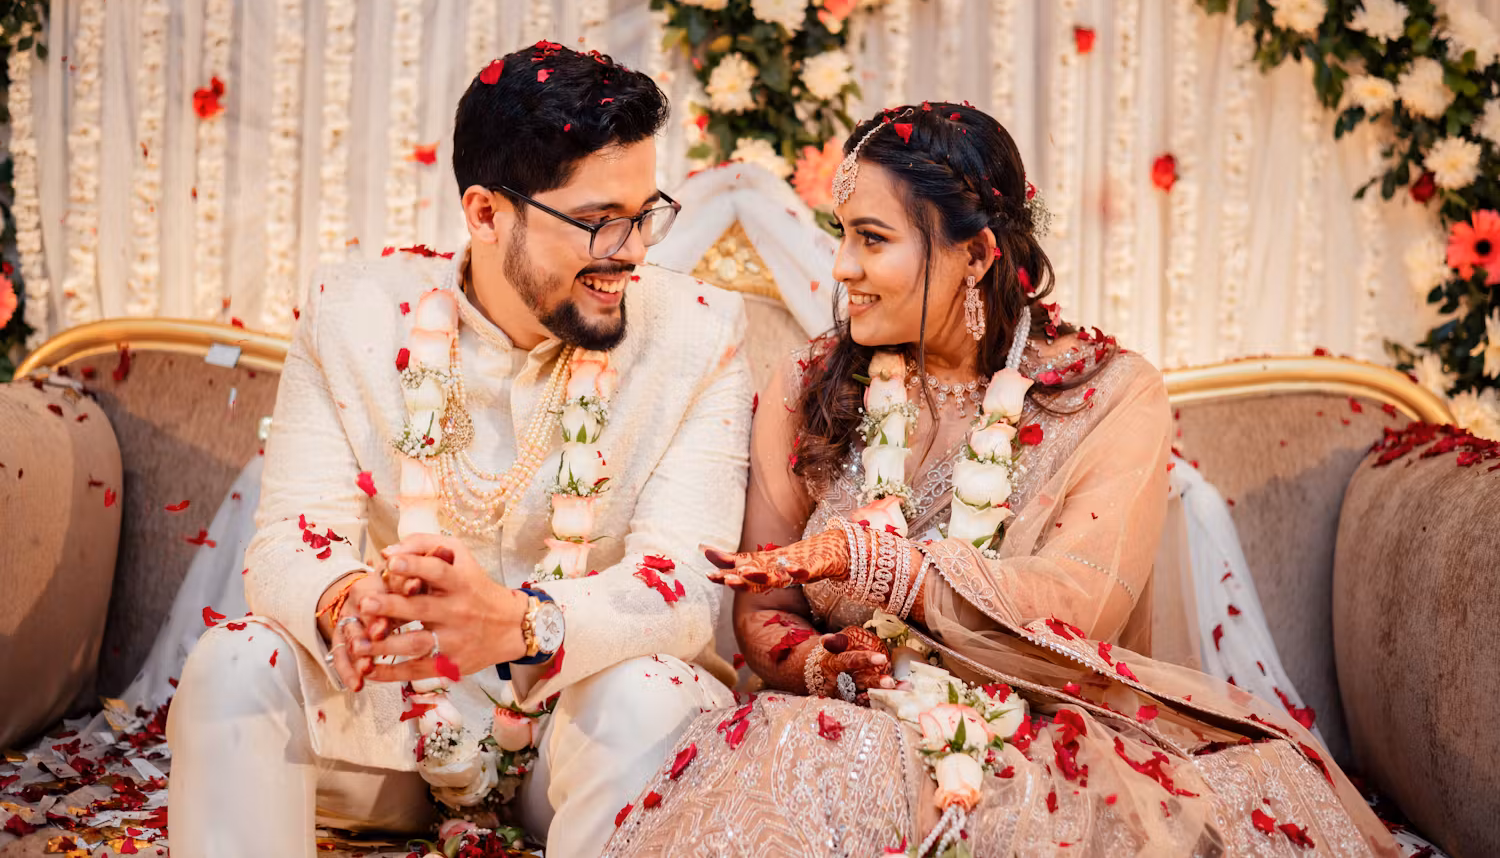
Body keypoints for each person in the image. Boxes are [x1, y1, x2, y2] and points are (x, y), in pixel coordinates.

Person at [604, 104, 1400, 857]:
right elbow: (766, 603)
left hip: (1040, 730)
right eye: (839, 235)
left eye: (872, 239)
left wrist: (885, 567)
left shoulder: (1110, 394)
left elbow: (1082, 604)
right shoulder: (809, 382)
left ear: (977, 255)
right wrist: (822, 665)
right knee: (803, 749)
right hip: (842, 727)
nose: (841, 267)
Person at [166, 43, 751, 858]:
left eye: (643, 212)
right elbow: (289, 537)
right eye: (595, 222)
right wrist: (345, 603)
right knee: (233, 664)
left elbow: (689, 589)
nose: (632, 251)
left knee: (651, 694)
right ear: (484, 213)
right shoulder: (354, 315)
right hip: (386, 730)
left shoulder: (698, 335)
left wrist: (524, 625)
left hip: (572, 745)